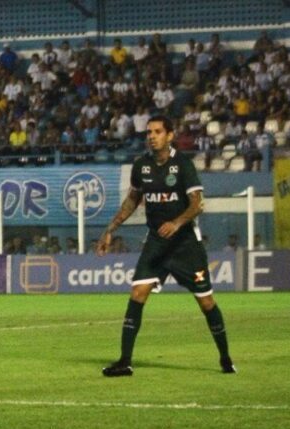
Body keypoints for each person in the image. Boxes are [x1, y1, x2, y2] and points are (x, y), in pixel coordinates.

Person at [96, 115, 235, 377]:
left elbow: (197, 204)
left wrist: (177, 222)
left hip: (185, 244)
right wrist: (110, 230)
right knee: (137, 294)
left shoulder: (183, 165)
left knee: (206, 303)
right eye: (149, 132)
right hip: (157, 242)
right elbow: (131, 201)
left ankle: (225, 358)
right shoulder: (142, 166)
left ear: (170, 135)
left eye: (157, 131)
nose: (151, 136)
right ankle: (125, 361)